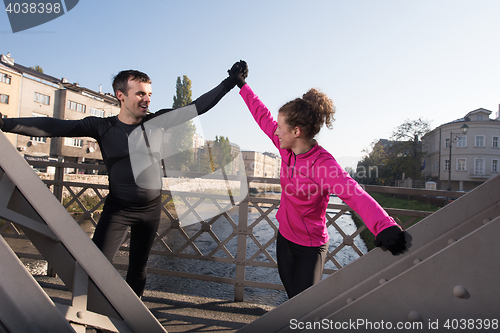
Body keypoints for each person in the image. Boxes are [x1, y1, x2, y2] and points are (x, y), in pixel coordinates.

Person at [0, 61, 248, 297]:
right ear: (121, 95)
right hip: (118, 210)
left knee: (138, 267)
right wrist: (5, 123)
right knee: (94, 267)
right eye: (140, 93)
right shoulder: (102, 127)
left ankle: (130, 315)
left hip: (150, 211)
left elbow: (198, 106)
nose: (147, 99)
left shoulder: (157, 122)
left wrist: (230, 82)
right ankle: (94, 316)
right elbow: (54, 126)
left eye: (149, 93)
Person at [229, 62, 406, 299]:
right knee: (292, 300)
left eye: (281, 127)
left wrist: (384, 225)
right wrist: (242, 85)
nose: (276, 131)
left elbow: (353, 193)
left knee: (304, 307)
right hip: (284, 240)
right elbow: (262, 116)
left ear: (296, 132)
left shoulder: (323, 164)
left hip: (309, 248)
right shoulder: (285, 149)